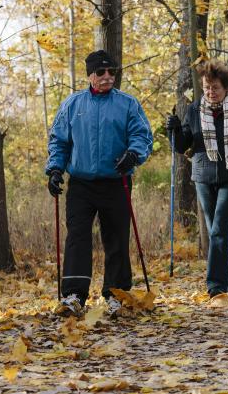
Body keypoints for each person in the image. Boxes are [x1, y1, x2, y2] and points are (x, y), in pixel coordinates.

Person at [46, 50, 153, 317]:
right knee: (78, 236)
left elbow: (142, 135)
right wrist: (55, 170)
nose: (107, 77)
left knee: (116, 238)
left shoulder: (128, 104)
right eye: (101, 72)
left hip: (117, 182)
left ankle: (116, 295)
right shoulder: (73, 104)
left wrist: (133, 155)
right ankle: (73, 295)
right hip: (81, 183)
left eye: (111, 72)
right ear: (90, 75)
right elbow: (59, 141)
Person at [166, 60, 228, 297]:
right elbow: (182, 146)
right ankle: (226, 283)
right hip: (203, 176)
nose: (210, 93)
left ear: (226, 88)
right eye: (207, 88)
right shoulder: (194, 110)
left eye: (215, 88)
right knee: (215, 231)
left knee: (219, 227)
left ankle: (215, 287)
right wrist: (174, 130)